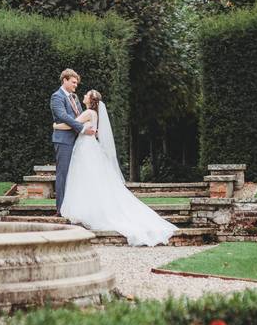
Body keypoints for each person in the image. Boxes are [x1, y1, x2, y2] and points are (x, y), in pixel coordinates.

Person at [57, 89, 177, 246]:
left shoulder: (88, 113)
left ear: (91, 100)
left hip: (85, 148)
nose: (84, 96)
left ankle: (87, 210)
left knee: (84, 178)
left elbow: (71, 125)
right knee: (90, 178)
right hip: (89, 146)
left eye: (87, 95)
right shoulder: (94, 114)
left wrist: (55, 125)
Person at [50, 69, 96, 215]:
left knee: (75, 175)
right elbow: (62, 115)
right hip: (63, 140)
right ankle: (61, 210)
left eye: (77, 82)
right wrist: (82, 128)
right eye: (73, 82)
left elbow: (81, 116)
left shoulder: (75, 97)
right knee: (63, 174)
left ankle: (73, 208)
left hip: (78, 141)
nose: (76, 85)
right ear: (65, 80)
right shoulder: (57, 97)